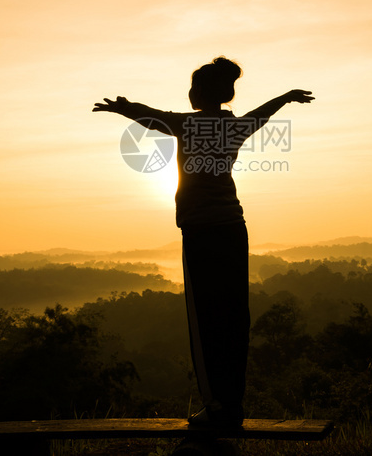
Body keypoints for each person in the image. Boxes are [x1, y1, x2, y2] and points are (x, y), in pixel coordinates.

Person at [92, 56, 314, 428]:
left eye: (193, 87)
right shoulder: (234, 127)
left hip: (201, 233)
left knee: (207, 321)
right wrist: (287, 97)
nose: (189, 93)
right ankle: (232, 404)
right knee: (233, 317)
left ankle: (216, 407)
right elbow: (261, 114)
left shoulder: (189, 124)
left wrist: (123, 109)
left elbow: (152, 117)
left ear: (201, 92)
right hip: (233, 229)